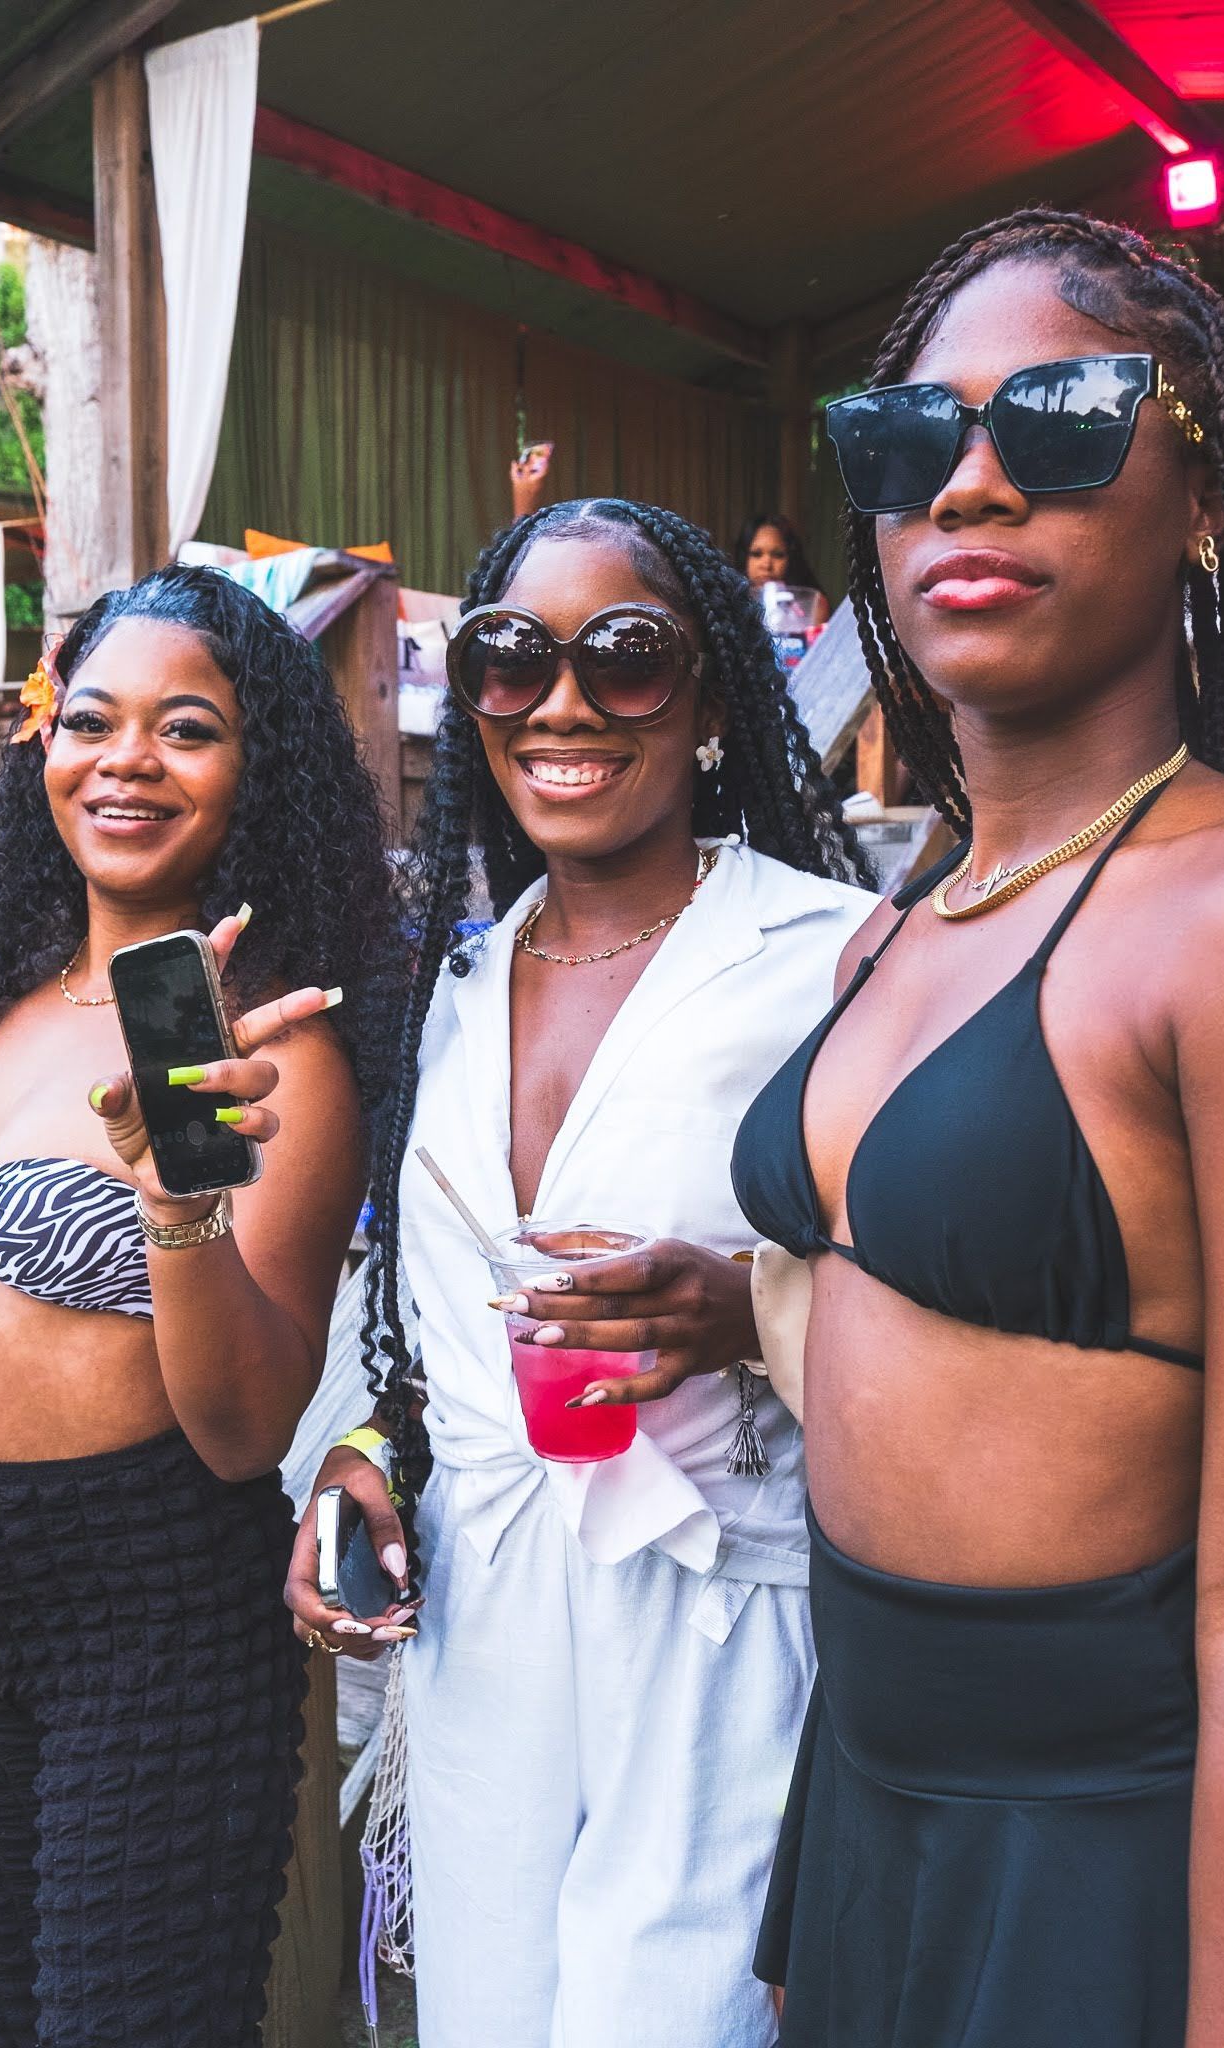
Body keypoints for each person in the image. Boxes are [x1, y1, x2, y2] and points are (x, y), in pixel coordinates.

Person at [731, 207, 1224, 2046]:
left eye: (1056, 421)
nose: (966, 485)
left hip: (1099, 1866)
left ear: (1200, 500)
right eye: (906, 440)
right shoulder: (897, 926)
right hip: (866, 1813)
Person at [285, 497, 875, 2047]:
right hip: (481, 1636)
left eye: (623, 656)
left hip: (723, 1630)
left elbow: (965, 1314)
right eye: (510, 658)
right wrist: (367, 1457)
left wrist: (749, 1310)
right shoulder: (446, 990)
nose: (560, 703)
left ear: (709, 697)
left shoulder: (835, 957)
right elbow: (422, 1326)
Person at [0, 565, 408, 2048]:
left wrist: (178, 1186)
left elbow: (245, 1425)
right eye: (92, 721)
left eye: (185, 729)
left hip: (144, 1605)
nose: (124, 760)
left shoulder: (257, 1040)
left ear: (257, 772)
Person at [734, 511, 830, 619]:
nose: (767, 565)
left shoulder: (813, 605)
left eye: (778, 555)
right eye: (757, 554)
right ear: (744, 557)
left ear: (791, 557)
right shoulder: (729, 603)